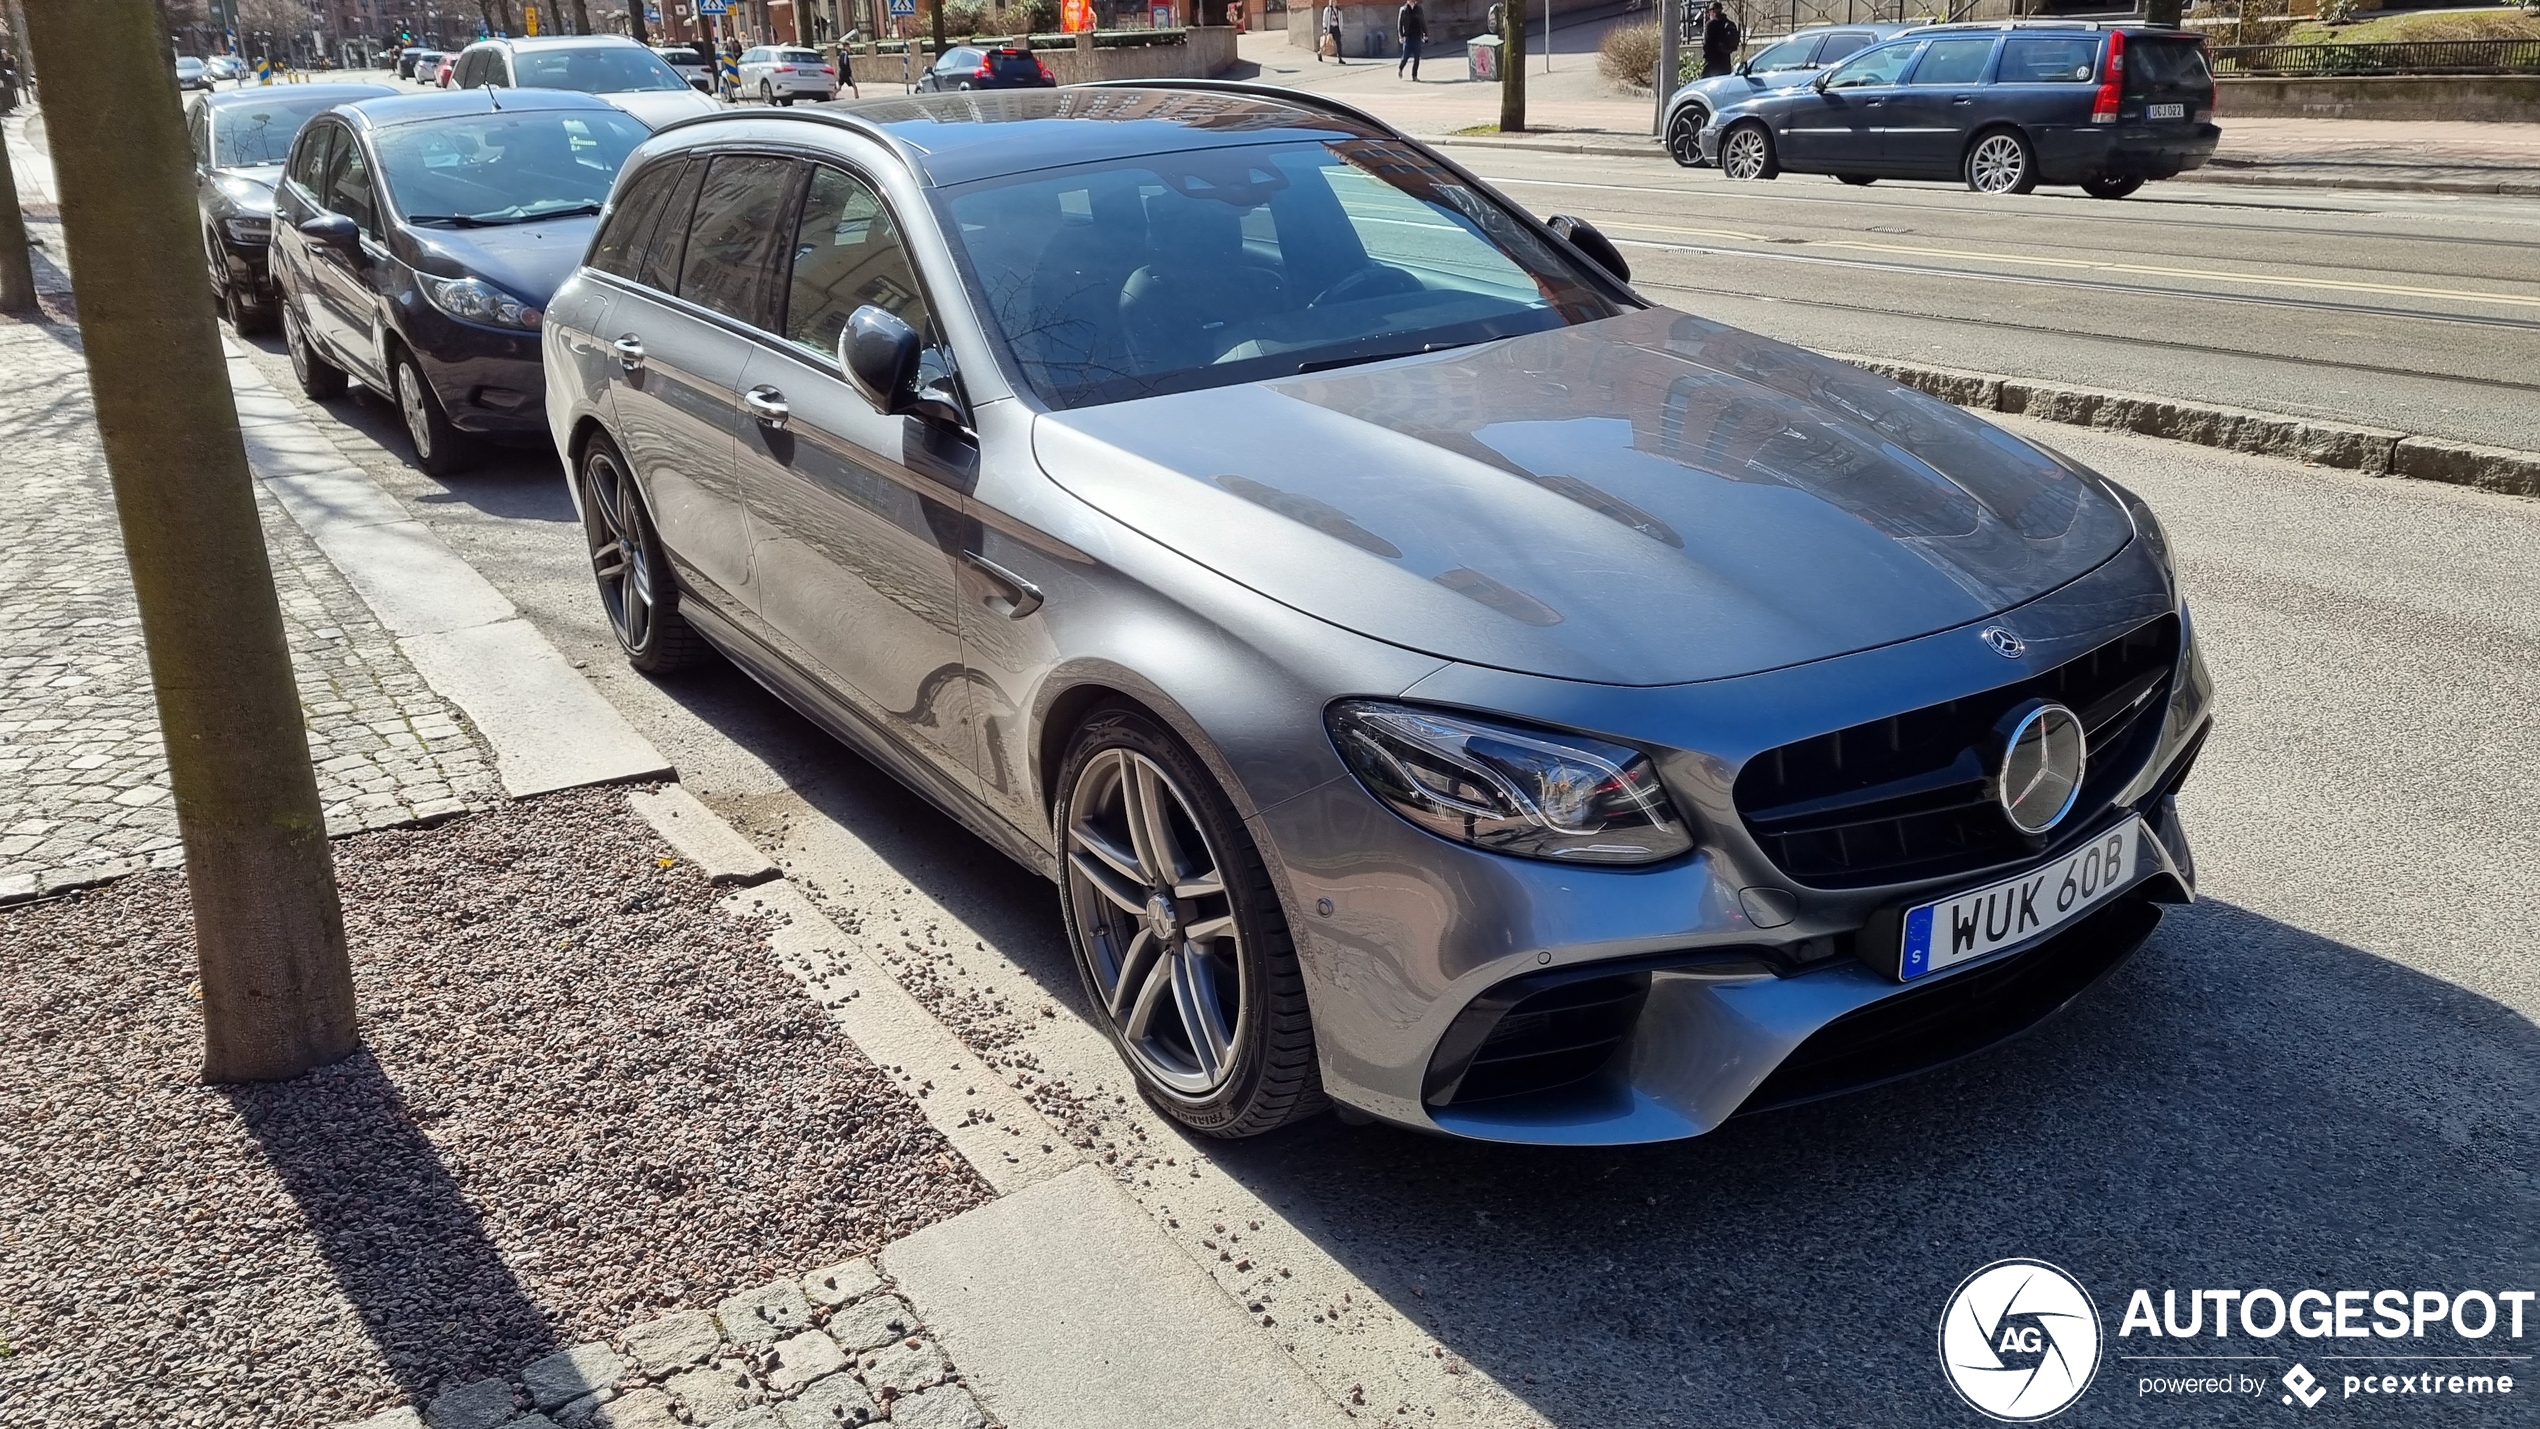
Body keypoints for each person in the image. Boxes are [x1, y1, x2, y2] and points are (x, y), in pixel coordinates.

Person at [1699, 0, 1739, 78]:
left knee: (1702, 85)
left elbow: (1706, 45)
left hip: (1711, 63)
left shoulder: (1710, 25)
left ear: (1712, 12)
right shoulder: (1728, 24)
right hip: (1725, 63)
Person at [1395, 0, 1424, 78]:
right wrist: (1400, 36)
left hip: (1417, 36)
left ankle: (1414, 76)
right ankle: (1400, 68)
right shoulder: (1403, 10)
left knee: (1417, 57)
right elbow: (1400, 24)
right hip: (1408, 37)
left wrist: (1425, 33)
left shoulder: (1419, 9)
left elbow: (1422, 22)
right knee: (1405, 57)